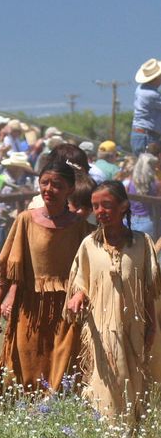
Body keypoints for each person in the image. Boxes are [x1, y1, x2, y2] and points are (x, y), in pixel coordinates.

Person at [0, 159, 93, 392]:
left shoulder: (80, 227)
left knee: (61, 366)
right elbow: (9, 269)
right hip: (30, 307)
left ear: (69, 189)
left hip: (66, 308)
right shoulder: (25, 220)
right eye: (44, 183)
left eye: (56, 184)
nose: (48, 189)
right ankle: (25, 410)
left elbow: (90, 270)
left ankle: (55, 410)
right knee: (27, 366)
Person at [66, 181, 161, 422]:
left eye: (106, 205)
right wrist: (78, 296)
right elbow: (81, 282)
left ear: (123, 206)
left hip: (135, 327)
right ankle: (108, 432)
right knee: (108, 381)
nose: (100, 211)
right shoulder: (89, 245)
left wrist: (152, 326)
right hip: (103, 329)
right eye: (95, 206)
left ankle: (133, 433)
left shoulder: (141, 243)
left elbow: (149, 289)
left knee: (135, 382)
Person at [131, 58, 161, 156]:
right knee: (149, 169)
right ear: (156, 77)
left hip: (142, 135)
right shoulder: (152, 94)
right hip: (147, 137)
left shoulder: (140, 89)